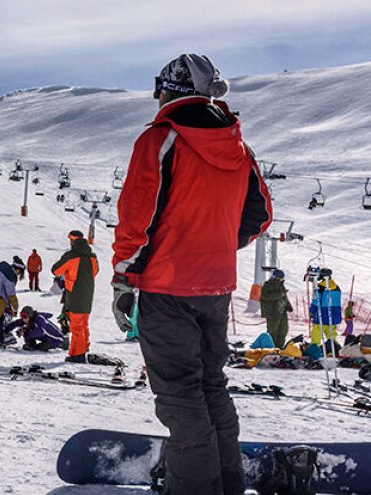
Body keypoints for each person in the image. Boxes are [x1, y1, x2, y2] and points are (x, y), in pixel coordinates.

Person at [111, 54, 272, 495]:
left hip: (167, 287)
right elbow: (260, 215)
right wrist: (213, 244)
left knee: (180, 395)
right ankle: (227, 484)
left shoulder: (161, 139)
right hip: (214, 288)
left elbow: (138, 215)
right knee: (211, 386)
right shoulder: (239, 149)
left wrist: (124, 278)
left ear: (168, 91)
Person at [52, 231, 98, 362]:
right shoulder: (92, 257)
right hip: (88, 295)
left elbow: (56, 270)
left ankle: (78, 354)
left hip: (74, 295)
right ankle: (84, 347)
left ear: (72, 241)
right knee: (84, 324)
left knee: (76, 326)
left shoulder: (71, 256)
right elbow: (95, 272)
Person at [260, 269, 293, 348]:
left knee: (283, 331)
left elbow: (284, 297)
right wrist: (279, 295)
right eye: (280, 278)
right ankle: (270, 348)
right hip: (272, 313)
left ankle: (279, 348)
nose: (281, 280)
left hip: (282, 312)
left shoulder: (281, 285)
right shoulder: (268, 285)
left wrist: (288, 306)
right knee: (272, 332)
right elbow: (265, 297)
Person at [309, 268, 342, 347]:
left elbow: (315, 301)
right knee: (331, 335)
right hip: (333, 315)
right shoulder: (337, 288)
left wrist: (311, 312)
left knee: (316, 335)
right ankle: (333, 349)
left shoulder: (320, 288)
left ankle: (315, 349)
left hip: (322, 315)